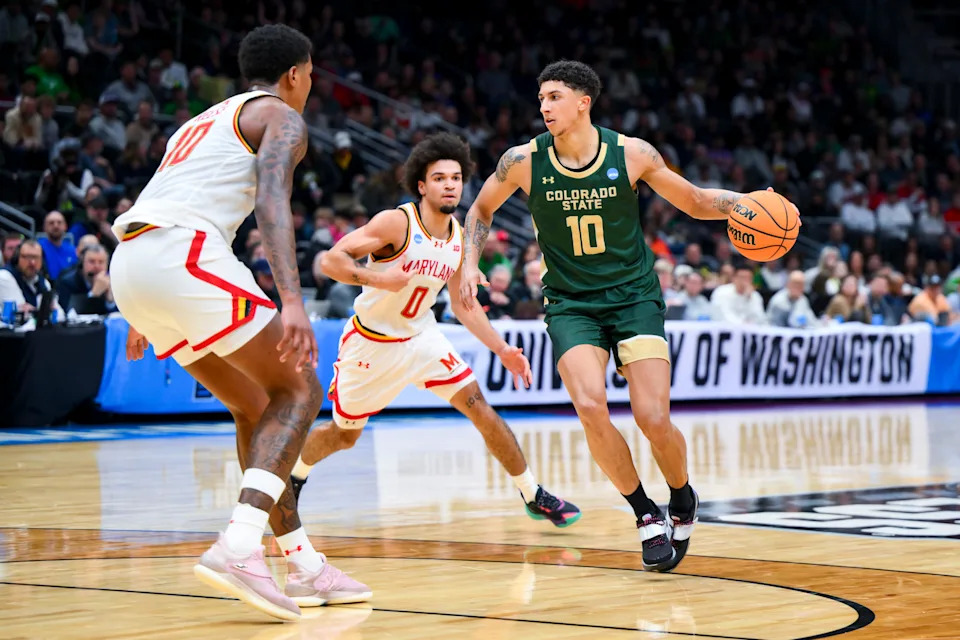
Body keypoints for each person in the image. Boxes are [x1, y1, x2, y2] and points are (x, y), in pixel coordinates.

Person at [460, 60, 795, 572]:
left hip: (633, 296)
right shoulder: (522, 161)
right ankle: (644, 513)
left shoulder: (632, 153)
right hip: (571, 302)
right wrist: (469, 262)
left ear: (582, 102)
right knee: (591, 407)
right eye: (541, 97)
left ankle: (681, 496)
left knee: (652, 418)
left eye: (554, 97)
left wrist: (743, 203)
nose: (544, 106)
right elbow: (480, 210)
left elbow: (697, 200)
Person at [109, 25, 367, 622]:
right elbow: (273, 201)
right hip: (184, 254)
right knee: (299, 387)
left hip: (139, 261)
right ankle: (239, 546)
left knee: (257, 406)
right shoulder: (282, 117)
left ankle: (301, 563)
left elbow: (161, 198)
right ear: (298, 74)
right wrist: (293, 300)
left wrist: (147, 304)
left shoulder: (200, 121)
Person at [290, 133, 580, 529]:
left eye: (456, 178)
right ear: (422, 186)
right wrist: (378, 278)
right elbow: (330, 261)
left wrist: (502, 350)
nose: (450, 185)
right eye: (440, 178)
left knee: (479, 407)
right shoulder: (397, 222)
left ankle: (532, 493)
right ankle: (293, 477)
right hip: (372, 343)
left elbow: (464, 304)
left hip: (422, 337)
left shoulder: (459, 236)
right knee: (343, 436)